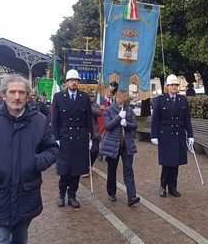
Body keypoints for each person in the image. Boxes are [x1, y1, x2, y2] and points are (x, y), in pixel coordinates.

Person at [0, 74, 58, 243]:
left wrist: (36, 162)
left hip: (26, 195)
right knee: (0, 239)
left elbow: (51, 149)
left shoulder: (39, 121)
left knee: (20, 240)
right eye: (12, 92)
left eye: (21, 92)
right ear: (3, 95)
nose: (17, 96)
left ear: (28, 96)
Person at [52, 69, 93, 208]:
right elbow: (55, 120)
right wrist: (56, 137)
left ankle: (72, 196)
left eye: (76, 80)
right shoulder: (58, 97)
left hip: (80, 136)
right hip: (64, 137)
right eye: (71, 80)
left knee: (77, 170)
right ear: (67, 82)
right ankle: (61, 194)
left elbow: (88, 119)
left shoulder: (85, 97)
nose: (73, 82)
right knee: (64, 170)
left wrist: (91, 137)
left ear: (78, 82)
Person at [151, 74, 194, 198]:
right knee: (167, 163)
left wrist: (190, 135)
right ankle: (163, 186)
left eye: (176, 85)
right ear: (167, 86)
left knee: (176, 163)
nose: (174, 87)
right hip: (166, 135)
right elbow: (156, 119)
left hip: (178, 134)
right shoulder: (160, 100)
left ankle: (173, 187)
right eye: (172, 85)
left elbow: (187, 119)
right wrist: (154, 135)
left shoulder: (183, 100)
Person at [101, 95, 141, 206]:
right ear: (115, 96)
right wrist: (118, 117)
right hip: (113, 144)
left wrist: (126, 124)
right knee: (112, 169)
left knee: (128, 169)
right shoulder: (108, 110)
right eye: (120, 94)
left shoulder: (129, 110)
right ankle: (111, 192)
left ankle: (131, 195)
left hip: (126, 144)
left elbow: (135, 125)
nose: (123, 97)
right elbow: (107, 126)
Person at [82, 92, 102, 178]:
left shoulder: (95, 105)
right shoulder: (80, 104)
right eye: (89, 97)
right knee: (84, 151)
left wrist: (89, 107)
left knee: (95, 150)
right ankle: (85, 168)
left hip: (94, 132)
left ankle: (91, 163)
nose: (91, 98)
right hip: (84, 132)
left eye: (92, 97)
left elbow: (99, 113)